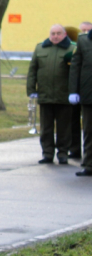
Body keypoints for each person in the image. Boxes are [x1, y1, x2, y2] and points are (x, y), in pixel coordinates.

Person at [27, 24, 73, 164]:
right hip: (45, 95)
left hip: (64, 96)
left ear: (64, 35)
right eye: (53, 33)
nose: (55, 36)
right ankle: (47, 153)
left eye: (59, 33)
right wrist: (31, 90)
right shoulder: (40, 48)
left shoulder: (72, 49)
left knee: (64, 128)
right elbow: (32, 70)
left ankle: (63, 153)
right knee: (46, 128)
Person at [70, 25, 92, 176]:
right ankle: (89, 165)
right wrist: (73, 91)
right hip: (88, 92)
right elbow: (76, 66)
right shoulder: (84, 40)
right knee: (89, 131)